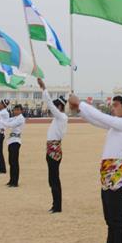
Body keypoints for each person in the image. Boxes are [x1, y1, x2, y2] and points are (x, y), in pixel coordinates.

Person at [67, 92, 122, 243]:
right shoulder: (115, 126)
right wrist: (79, 111)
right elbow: (97, 121)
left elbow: (103, 117)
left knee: (117, 219)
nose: (113, 108)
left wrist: (80, 103)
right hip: (108, 174)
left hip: (116, 176)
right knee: (109, 218)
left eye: (116, 105)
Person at [37, 77, 68, 213]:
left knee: (54, 179)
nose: (53, 108)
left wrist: (44, 88)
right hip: (51, 149)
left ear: (60, 107)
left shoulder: (61, 117)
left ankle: (57, 206)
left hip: (54, 149)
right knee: (52, 179)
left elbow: (49, 103)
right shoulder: (57, 119)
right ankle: (55, 204)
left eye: (56, 106)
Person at [1, 104, 25, 187]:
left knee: (14, 162)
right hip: (11, 140)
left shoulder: (20, 118)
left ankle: (15, 181)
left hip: (16, 141)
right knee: (11, 161)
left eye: (17, 110)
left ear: (21, 111)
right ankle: (11, 180)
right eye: (15, 110)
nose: (15, 111)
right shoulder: (15, 117)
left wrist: (0, 120)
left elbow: (10, 125)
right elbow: (7, 121)